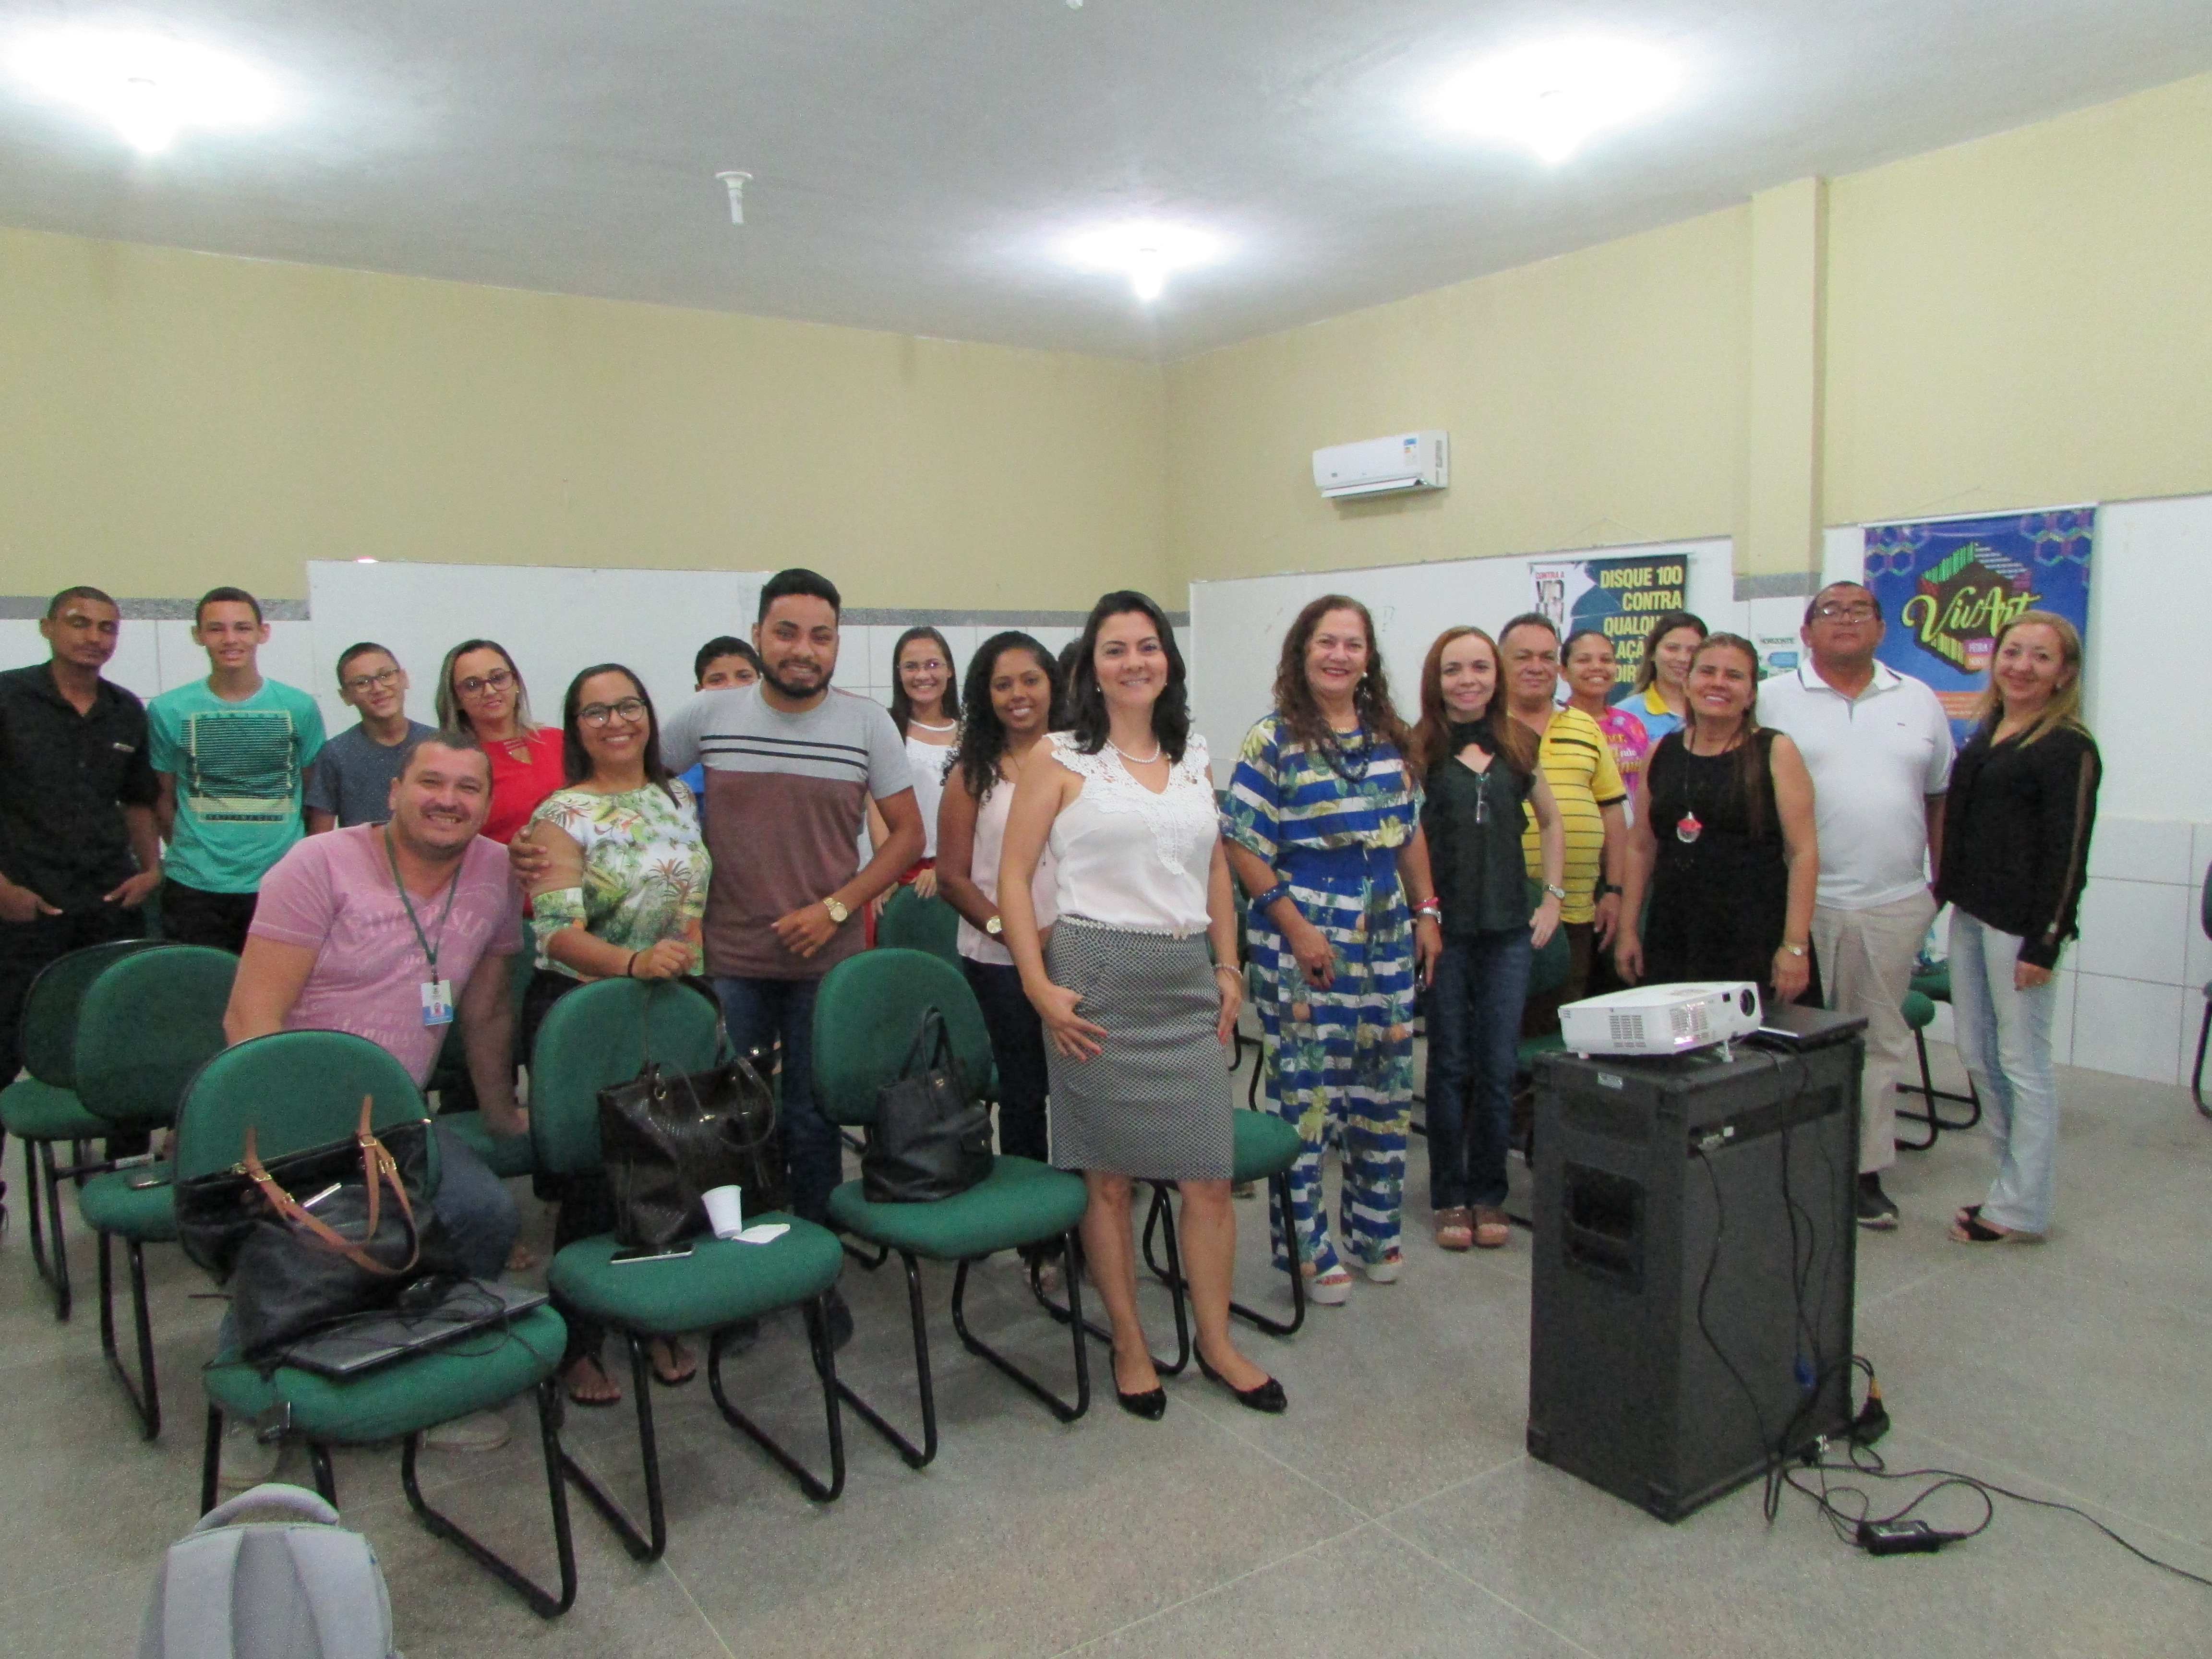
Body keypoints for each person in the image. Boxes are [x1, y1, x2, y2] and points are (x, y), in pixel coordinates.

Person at [999, 590, 1282, 1419]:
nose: (1134, 662)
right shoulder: (1057, 758)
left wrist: (1227, 964)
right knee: (1109, 1180)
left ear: (1168, 659)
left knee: (1208, 1177)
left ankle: (1216, 1341)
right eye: (1115, 649)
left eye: (1148, 646)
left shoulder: (1192, 755)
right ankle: (1128, 1341)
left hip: (1183, 981)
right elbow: (1012, 877)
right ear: (1091, 667)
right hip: (1095, 981)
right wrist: (1035, 984)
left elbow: (1215, 868)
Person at [223, 729, 527, 1458]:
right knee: (299, 1244)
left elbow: (486, 1010)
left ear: (487, 804)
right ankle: (257, 1401)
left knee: (483, 1215)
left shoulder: (496, 872)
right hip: (294, 1113)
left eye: (468, 788)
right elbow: (250, 1018)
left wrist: (499, 1113)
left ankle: (430, 1372)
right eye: (431, 782)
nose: (448, 800)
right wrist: (289, 1147)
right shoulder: (318, 864)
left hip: (395, 1119)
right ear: (393, 792)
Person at [655, 569, 923, 1347]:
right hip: (728, 957)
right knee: (728, 1124)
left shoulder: (867, 724)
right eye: (787, 632)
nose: (803, 649)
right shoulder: (708, 715)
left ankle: (814, 1274)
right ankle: (737, 1281)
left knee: (811, 1120)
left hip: (825, 960)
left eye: (820, 636)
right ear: (760, 637)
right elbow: (634, 791)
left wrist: (838, 906)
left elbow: (908, 836)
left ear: (836, 643)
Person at [1222, 596, 1434, 1302]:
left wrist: (1427, 912)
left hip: (1386, 928)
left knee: (1383, 1082)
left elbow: (1408, 833)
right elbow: (1242, 843)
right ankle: (1306, 1245)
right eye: (1326, 642)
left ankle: (1375, 1230)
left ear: (1368, 658)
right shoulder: (1272, 739)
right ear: (1302, 651)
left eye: (1353, 644)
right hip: (1304, 925)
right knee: (1308, 1092)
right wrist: (1298, 928)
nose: (1339, 655)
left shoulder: (1389, 738)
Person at [518, 666, 710, 1405]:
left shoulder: (676, 796)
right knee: (595, 1185)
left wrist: (684, 965)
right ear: (577, 728)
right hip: (587, 1010)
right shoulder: (560, 815)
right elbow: (557, 933)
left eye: (628, 706)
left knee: (666, 1173)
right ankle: (578, 1343)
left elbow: (691, 898)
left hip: (668, 1001)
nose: (616, 721)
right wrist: (633, 963)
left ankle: (653, 1316)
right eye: (595, 712)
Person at [1758, 582, 1955, 1229]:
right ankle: (1789, 1163)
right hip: (1798, 905)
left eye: (1860, 610)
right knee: (1791, 1040)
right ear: (1805, 632)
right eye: (1830, 610)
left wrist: (1937, 886)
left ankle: (1863, 1171)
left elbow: (1938, 798)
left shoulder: (1917, 699)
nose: (1845, 619)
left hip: (1893, 903)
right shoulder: (1772, 698)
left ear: (1882, 629)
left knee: (1880, 1043)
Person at [1935, 612, 2099, 1245]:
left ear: (2065, 674)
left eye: (2041, 657)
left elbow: (2069, 852)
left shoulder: (2068, 747)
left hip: (2022, 928)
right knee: (1978, 1053)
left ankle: (2023, 1208)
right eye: (2012, 652)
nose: (2022, 666)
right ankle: (2008, 1187)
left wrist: (2047, 941)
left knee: (2023, 1062)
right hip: (1971, 914)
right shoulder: (1988, 733)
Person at [1410, 627, 1565, 1253]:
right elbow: (1403, 838)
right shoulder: (1417, 749)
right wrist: (1420, 913)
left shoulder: (1519, 742)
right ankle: (1449, 1194)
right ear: (1436, 679)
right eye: (1454, 669)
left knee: (1499, 1068)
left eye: (1479, 667)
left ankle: (1488, 1193)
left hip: (1507, 933)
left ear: (1496, 676)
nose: (1467, 680)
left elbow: (1551, 821)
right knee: (1449, 1066)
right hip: (1444, 934)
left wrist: (1552, 896)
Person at [0, 588, 162, 1093]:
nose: (94, 637)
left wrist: (151, 871)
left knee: (116, 1040)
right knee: (7, 1040)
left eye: (106, 627)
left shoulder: (124, 709)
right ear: (47, 628)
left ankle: (124, 1143)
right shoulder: (8, 698)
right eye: (79, 622)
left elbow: (137, 800)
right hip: (23, 901)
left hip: (108, 901)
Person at [1616, 634, 1817, 1004]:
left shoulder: (1775, 750)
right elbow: (1641, 847)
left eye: (1734, 676)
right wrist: (1629, 930)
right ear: (1688, 682)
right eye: (1707, 672)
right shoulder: (1661, 751)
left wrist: (1795, 945)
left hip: (1754, 933)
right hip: (1675, 932)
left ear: (1751, 694)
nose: (1719, 683)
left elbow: (1803, 852)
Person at [935, 632, 1063, 1190]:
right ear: (985, 696)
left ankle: (1091, 1206)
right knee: (1024, 1091)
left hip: (1079, 949)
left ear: (1053, 685)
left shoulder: (1085, 761)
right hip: (999, 958)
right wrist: (1011, 932)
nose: (1019, 695)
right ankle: (1036, 1221)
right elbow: (951, 877)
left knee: (1085, 1087)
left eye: (1031, 680)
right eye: (1003, 684)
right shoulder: (972, 772)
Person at [148, 588, 326, 954]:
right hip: (194, 887)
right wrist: (195, 852)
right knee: (204, 987)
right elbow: (161, 799)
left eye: (242, 628)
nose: (230, 639)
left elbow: (314, 797)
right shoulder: (168, 709)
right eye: (217, 629)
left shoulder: (300, 707)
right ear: (198, 635)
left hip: (282, 883)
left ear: (263, 632)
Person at [1497, 614, 1624, 1028]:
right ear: (1500, 662)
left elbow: (1611, 810)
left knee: (1564, 1034)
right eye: (1523, 657)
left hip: (1575, 913)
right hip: (1500, 913)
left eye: (1546, 657)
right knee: (1502, 1029)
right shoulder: (1483, 728)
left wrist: (1615, 890)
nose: (1536, 667)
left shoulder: (1586, 727)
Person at [867, 625, 961, 914]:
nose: (922, 675)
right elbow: (877, 808)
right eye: (911, 667)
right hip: (899, 872)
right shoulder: (886, 729)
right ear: (899, 674)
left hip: (959, 872)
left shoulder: (971, 735)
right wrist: (887, 873)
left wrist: (945, 867)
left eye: (933, 665)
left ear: (950, 670)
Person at [435, 639, 564, 846]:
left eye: (498, 678)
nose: (490, 691)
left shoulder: (560, 740)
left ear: (516, 683)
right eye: (472, 685)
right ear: (456, 699)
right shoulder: (458, 763)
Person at [305, 643, 432, 832]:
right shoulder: (336, 754)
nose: (378, 688)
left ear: (404, 679)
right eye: (362, 683)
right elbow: (319, 837)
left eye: (385, 675)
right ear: (345, 696)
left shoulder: (436, 745)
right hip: (359, 851)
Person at [1561, 628, 1652, 807]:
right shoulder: (1556, 722)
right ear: (1563, 672)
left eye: (1606, 660)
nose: (1597, 667)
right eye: (1584, 660)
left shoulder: (1631, 724)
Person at [675, 637, 761, 805]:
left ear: (761, 683)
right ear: (699, 691)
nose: (732, 686)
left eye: (744, 676)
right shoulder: (682, 776)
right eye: (717, 680)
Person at [1617, 610, 1708, 746]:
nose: (1682, 658)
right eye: (1672, 648)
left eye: (1692, 651)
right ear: (1652, 653)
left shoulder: (1714, 711)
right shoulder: (1625, 715)